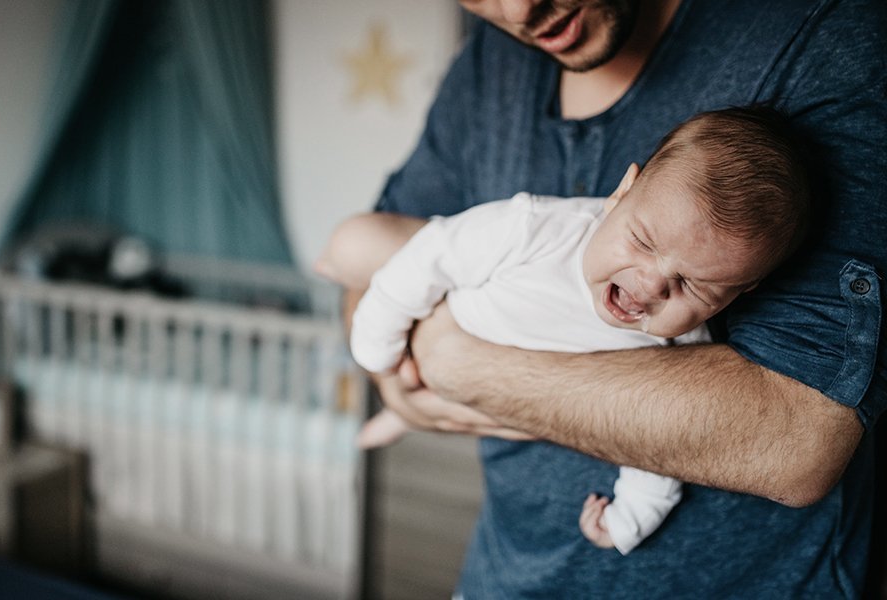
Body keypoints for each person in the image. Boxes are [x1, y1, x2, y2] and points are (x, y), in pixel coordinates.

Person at [342, 0, 887, 597]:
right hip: (504, 573)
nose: (520, 7)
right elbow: (388, 260)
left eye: (694, 287)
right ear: (621, 194)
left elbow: (797, 442)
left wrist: (453, 360)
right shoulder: (492, 84)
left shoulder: (828, 34)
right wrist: (390, 367)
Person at [321, 106, 811, 554]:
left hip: (503, 393)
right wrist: (377, 346)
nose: (649, 285)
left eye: (693, 286)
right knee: (363, 246)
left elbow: (657, 438)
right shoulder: (538, 227)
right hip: (455, 314)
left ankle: (406, 411)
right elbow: (433, 255)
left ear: (738, 294)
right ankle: (403, 406)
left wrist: (631, 517)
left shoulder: (679, 346)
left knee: (461, 399)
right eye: (641, 240)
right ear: (620, 195)